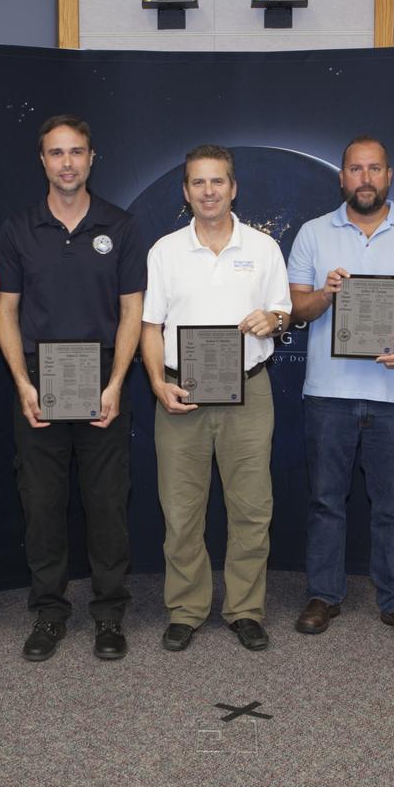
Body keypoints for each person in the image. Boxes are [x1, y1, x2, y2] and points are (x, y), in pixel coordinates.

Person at [0, 115, 146, 662]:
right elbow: (5, 310)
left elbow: (133, 311)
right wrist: (21, 384)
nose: (67, 163)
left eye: (76, 152)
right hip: (39, 382)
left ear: (91, 158)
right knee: (42, 505)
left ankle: (109, 616)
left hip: (103, 380)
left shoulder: (121, 226)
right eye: (56, 153)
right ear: (42, 161)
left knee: (107, 505)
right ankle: (50, 614)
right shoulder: (17, 228)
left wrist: (116, 383)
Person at [286, 136, 394, 642]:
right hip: (328, 394)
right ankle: (323, 594)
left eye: (374, 168)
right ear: (342, 178)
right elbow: (295, 309)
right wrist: (326, 294)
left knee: (393, 506)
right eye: (355, 169)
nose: (365, 178)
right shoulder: (314, 234)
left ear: (389, 175)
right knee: (326, 501)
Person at [141, 144, 292, 652]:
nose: (209, 191)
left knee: (252, 508)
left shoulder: (263, 248)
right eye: (198, 183)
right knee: (181, 510)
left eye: (218, 182)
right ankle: (185, 609)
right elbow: (149, 326)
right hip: (181, 390)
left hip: (248, 389)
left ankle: (245, 609)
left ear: (234, 188)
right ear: (186, 192)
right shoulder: (164, 251)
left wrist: (274, 319)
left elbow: (283, 313)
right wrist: (157, 381)